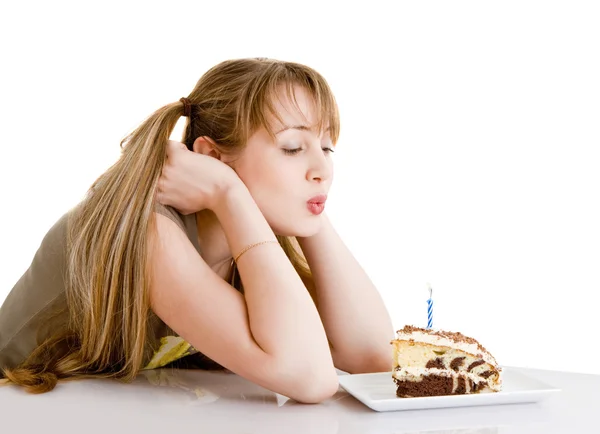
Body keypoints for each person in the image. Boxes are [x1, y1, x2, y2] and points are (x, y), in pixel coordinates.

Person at [0, 58, 394, 403]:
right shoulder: (150, 230)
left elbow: (373, 359)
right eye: (292, 147)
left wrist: (310, 217)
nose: (322, 169)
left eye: (326, 148)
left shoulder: (250, 242)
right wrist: (227, 190)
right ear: (210, 156)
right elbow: (310, 378)